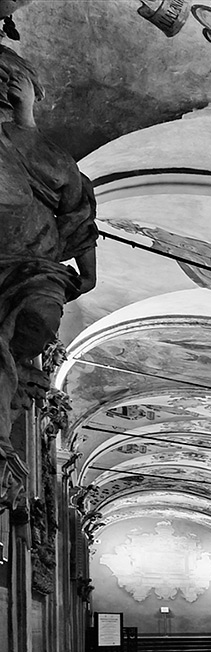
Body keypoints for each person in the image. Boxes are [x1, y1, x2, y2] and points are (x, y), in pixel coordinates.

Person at [0, 43, 97, 456]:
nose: (4, 85)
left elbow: (77, 210)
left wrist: (88, 272)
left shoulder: (51, 154)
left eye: (12, 78)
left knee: (38, 320)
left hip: (36, 262)